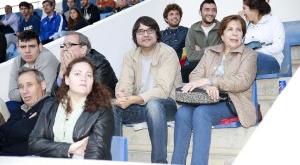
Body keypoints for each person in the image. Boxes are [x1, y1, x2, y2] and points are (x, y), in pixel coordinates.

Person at [171, 15, 258, 165]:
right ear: (222, 35)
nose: (235, 33)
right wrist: (206, 86)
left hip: (233, 100)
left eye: (239, 30)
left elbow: (242, 81)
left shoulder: (249, 55)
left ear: (243, 35)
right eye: (230, 29)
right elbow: (195, 75)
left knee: (201, 113)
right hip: (207, 98)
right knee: (183, 113)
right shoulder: (210, 51)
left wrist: (212, 81)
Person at [113, 16, 182, 163]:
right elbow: (125, 81)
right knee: (112, 107)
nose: (145, 35)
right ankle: (115, 160)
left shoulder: (168, 53)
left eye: (150, 30)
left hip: (167, 105)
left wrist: (134, 99)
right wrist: (122, 94)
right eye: (141, 31)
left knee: (154, 104)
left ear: (157, 33)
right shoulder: (130, 55)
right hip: (140, 106)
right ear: (135, 36)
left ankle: (159, 161)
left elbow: (163, 90)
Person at [29, 57, 114, 159]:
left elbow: (96, 155)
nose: (84, 78)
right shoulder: (50, 105)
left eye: (89, 75)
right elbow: (34, 143)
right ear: (67, 79)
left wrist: (51, 147)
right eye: (77, 74)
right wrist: (69, 148)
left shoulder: (102, 110)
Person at [0, 68, 50, 156]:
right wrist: (25, 123)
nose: (25, 91)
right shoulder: (18, 111)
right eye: (21, 87)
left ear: (42, 85)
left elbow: (30, 132)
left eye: (29, 85)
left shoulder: (50, 104)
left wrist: (9, 129)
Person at [52, 31, 118, 96]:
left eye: (69, 45)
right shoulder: (61, 66)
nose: (64, 49)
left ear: (83, 50)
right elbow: (54, 96)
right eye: (63, 45)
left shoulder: (100, 64)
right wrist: (61, 73)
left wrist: (72, 68)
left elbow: (92, 93)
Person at [241, 0, 285, 75]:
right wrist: (240, 22)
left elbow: (278, 46)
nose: (243, 12)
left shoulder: (273, 20)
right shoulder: (247, 26)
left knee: (249, 58)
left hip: (271, 61)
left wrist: (255, 53)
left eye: (244, 8)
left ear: (254, 9)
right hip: (250, 62)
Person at [8, 30, 59, 102]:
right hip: (30, 101)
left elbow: (45, 93)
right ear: (18, 48)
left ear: (40, 46)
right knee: (9, 105)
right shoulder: (17, 61)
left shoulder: (46, 57)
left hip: (50, 102)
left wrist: (23, 91)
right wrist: (31, 92)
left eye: (32, 46)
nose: (27, 51)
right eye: (23, 47)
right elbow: (12, 94)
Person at [182, 0, 221, 83]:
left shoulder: (221, 28)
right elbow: (191, 56)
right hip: (197, 65)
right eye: (207, 10)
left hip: (216, 65)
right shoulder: (193, 29)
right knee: (184, 71)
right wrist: (211, 49)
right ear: (200, 12)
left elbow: (220, 53)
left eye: (214, 10)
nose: (210, 13)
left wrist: (201, 50)